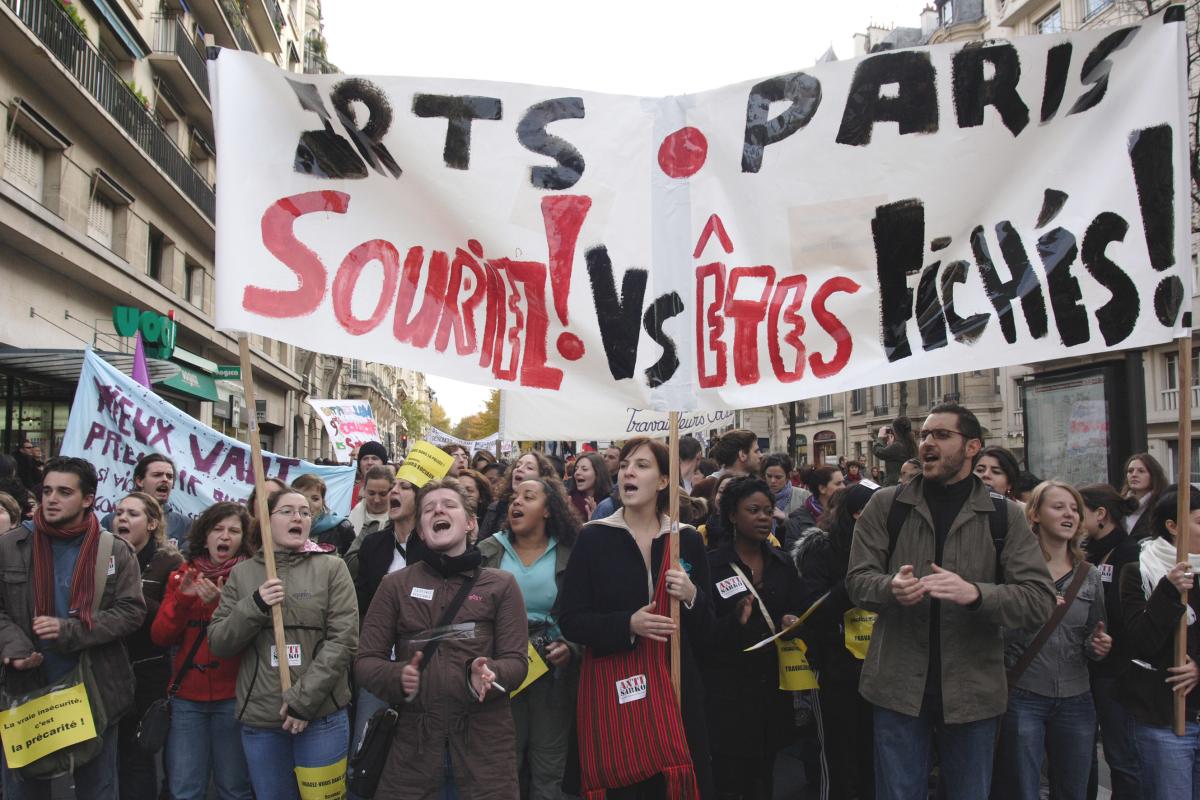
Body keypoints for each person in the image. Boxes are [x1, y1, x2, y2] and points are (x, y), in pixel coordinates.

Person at [846, 404, 1055, 800]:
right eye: (925, 435)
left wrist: (977, 594)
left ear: (972, 446)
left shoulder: (1004, 516)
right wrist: (890, 588)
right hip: (897, 690)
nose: (927, 443)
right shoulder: (887, 505)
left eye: (942, 435)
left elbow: (1038, 600)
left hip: (972, 694)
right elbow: (856, 581)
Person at [559, 437, 715, 799]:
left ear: (663, 481)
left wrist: (692, 596)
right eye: (626, 464)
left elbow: (709, 630)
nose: (629, 471)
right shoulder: (593, 538)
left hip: (676, 689)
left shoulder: (686, 540)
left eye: (642, 465)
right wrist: (627, 624)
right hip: (615, 690)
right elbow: (571, 620)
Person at [356, 477, 529, 797]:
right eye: (428, 509)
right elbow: (365, 661)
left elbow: (517, 662)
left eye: (449, 505)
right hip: (413, 750)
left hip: (484, 747)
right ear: (420, 530)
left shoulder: (502, 586)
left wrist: (491, 673)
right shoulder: (394, 585)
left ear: (471, 524)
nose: (439, 510)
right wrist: (397, 676)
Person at [0, 457, 146, 799]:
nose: (52, 499)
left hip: (93, 689)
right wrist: (14, 648)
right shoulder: (9, 546)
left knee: (97, 788)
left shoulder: (114, 550)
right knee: (24, 790)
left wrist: (71, 630)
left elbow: (131, 612)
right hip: (27, 689)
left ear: (87, 499)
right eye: (47, 490)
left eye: (64, 492)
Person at [209, 488, 358, 800]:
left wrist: (303, 701)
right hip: (262, 722)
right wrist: (255, 605)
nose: (298, 517)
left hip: (321, 718)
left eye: (304, 512)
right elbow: (220, 643)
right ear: (266, 520)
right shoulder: (243, 574)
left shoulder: (333, 568)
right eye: (287, 511)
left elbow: (343, 641)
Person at [1000, 481, 1110, 800]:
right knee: (1024, 789)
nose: (1069, 514)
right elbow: (997, 630)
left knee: (1073, 789)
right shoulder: (1017, 569)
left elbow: (1093, 635)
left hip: (1077, 699)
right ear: (1034, 514)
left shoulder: (1089, 574)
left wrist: (1099, 646)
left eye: (1074, 508)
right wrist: (1032, 610)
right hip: (1024, 696)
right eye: (1059, 506)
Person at [478, 478, 580, 800]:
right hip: (502, 669)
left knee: (549, 765)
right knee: (505, 761)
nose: (516, 503)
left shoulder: (570, 553)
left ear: (549, 510)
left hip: (551, 673)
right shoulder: (488, 550)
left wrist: (571, 647)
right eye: (513, 497)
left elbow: (583, 609)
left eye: (528, 497)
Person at [151, 502, 255, 800]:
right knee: (185, 788)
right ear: (204, 536)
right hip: (187, 701)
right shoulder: (182, 575)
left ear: (243, 538)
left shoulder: (250, 578)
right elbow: (161, 636)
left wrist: (224, 606)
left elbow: (252, 636)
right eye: (217, 529)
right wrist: (182, 600)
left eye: (234, 531)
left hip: (234, 698)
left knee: (234, 788)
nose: (225, 537)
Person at [705, 476, 800, 800]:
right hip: (727, 698)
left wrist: (792, 620)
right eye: (754, 510)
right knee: (729, 783)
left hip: (771, 694)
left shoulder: (783, 564)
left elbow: (796, 609)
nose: (764, 517)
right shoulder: (711, 567)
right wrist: (735, 622)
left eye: (769, 510)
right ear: (732, 515)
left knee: (765, 781)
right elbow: (701, 634)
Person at [793, 483, 879, 800]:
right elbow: (813, 609)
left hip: (877, 668)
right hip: (835, 669)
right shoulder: (822, 549)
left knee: (872, 752)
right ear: (856, 515)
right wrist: (855, 583)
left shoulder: (884, 549)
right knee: (837, 752)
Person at [1118, 485, 1200, 800]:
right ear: (1173, 526)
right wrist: (1167, 590)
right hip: (1165, 721)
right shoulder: (1138, 571)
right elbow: (1140, 641)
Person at [113, 492, 183, 800]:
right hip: (109, 666)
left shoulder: (168, 561)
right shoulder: (104, 555)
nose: (122, 519)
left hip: (150, 669)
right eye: (119, 513)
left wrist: (133, 595)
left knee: (143, 752)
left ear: (152, 523)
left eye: (132, 513)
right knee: (113, 755)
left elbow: (171, 620)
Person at [1078, 483, 1143, 800]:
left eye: (1079, 511)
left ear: (1100, 514)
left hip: (1115, 673)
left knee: (1121, 754)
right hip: (1084, 668)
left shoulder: (1130, 553)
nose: (1072, 517)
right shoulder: (1081, 550)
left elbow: (1128, 616)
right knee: (1081, 754)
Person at [101, 454, 192, 550]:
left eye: (169, 477)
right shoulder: (111, 521)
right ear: (140, 481)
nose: (165, 479)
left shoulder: (184, 525)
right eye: (157, 475)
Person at [480, 451, 557, 539]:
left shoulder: (558, 544)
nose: (519, 469)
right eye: (517, 466)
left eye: (529, 467)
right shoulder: (496, 508)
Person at [691, 429, 763, 502]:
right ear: (742, 455)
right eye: (756, 451)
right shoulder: (705, 488)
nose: (761, 455)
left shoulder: (759, 485)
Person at [293, 473, 356, 555]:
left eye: (315, 499)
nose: (308, 504)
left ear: (323, 501)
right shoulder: (284, 528)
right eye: (302, 497)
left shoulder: (342, 528)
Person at [784, 465, 845, 549]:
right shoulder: (797, 521)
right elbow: (793, 555)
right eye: (838, 484)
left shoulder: (848, 513)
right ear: (822, 488)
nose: (844, 487)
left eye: (843, 482)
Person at [1120, 453, 1168, 541]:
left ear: (1153, 476)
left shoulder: (1162, 506)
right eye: (1130, 471)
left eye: (1141, 471)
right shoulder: (1118, 505)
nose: (1134, 474)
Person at [872, 417, 918, 487]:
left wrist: (879, 438)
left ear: (896, 430)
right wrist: (891, 446)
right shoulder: (911, 444)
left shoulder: (897, 446)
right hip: (908, 483)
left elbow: (878, 452)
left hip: (895, 485)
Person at [762, 453, 809, 521]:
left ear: (788, 476)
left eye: (778, 477)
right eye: (769, 476)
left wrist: (785, 518)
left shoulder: (803, 496)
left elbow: (810, 525)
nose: (772, 481)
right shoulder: (759, 496)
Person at [569, 451, 611, 522]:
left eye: (584, 469)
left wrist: (595, 519)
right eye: (576, 469)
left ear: (598, 473)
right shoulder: (569, 500)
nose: (577, 473)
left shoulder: (610, 503)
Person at [351, 441, 389, 506]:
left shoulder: (393, 490)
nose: (369, 462)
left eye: (374, 458)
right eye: (365, 458)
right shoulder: (351, 489)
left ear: (383, 463)